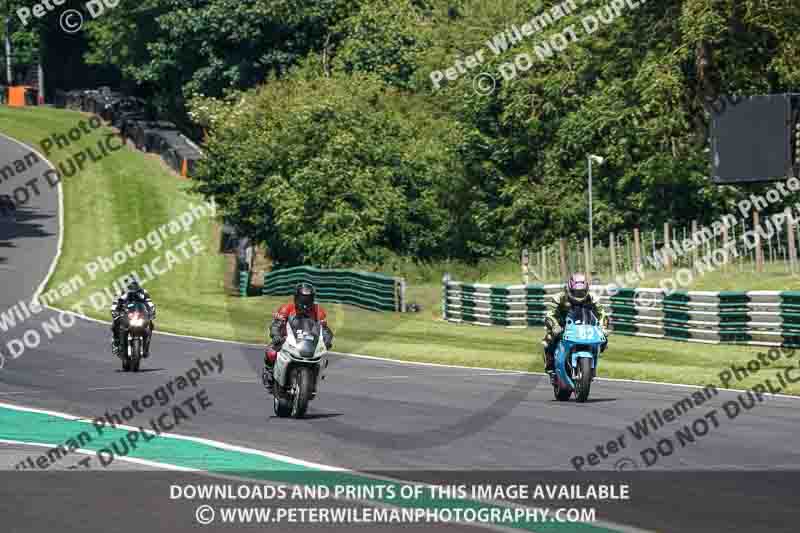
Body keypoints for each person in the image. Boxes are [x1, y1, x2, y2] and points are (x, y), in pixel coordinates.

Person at [262, 282, 334, 392]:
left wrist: (327, 340)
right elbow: (276, 324)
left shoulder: (318, 311)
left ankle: (314, 380)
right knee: (271, 352)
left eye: (308, 299)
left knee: (323, 358)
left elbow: (325, 329)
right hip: (287, 339)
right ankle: (270, 373)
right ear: (296, 297)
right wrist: (276, 335)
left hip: (308, 342)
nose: (305, 302)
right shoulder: (286, 308)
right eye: (302, 299)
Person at [542, 272, 609, 384]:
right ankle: (551, 370)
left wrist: (603, 327)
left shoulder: (592, 298)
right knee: (548, 340)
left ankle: (592, 365)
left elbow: (602, 314)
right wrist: (555, 326)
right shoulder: (559, 298)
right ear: (569, 289)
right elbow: (549, 314)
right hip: (563, 326)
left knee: (604, 339)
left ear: (586, 289)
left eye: (582, 292)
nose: (579, 295)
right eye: (576, 292)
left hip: (585, 326)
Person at [110, 277, 156, 358]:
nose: (132, 288)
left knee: (150, 325)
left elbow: (149, 303)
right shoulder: (120, 293)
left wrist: (152, 312)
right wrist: (115, 312)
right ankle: (116, 343)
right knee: (115, 324)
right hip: (125, 315)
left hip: (139, 315)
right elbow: (114, 304)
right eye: (130, 286)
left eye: (134, 285)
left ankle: (146, 347)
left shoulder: (143, 292)